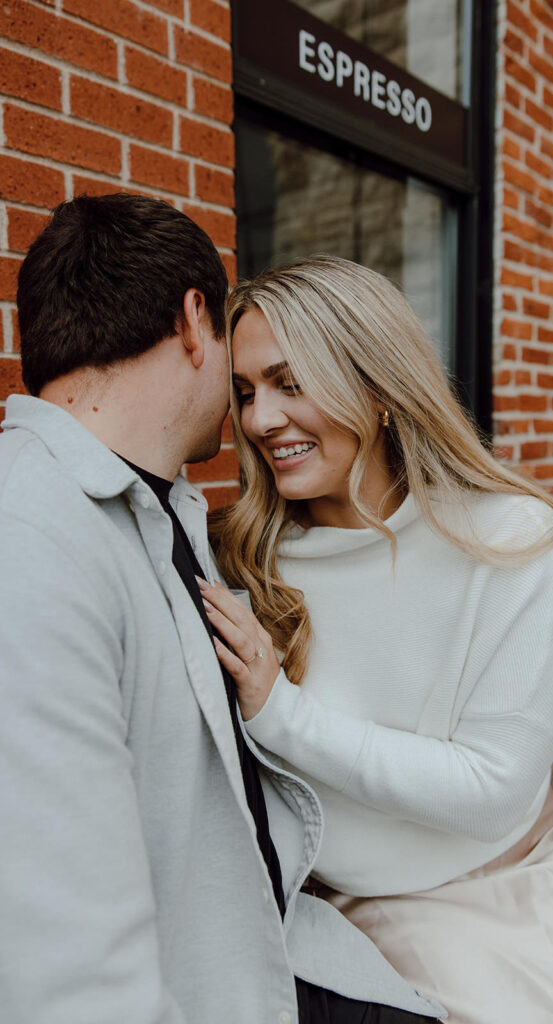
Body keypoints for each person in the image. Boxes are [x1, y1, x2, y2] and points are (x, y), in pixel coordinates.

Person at [204, 255, 553, 1023]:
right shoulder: (242, 558)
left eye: (290, 384)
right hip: (350, 901)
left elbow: (493, 787)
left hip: (519, 873)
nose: (259, 420)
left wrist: (280, 712)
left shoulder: (506, 538)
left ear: (378, 388)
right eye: (246, 392)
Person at [0, 197, 445, 1024]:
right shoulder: (30, 538)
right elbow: (66, 964)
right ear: (196, 321)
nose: (253, 417)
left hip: (276, 941)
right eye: (242, 386)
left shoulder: (154, 503)